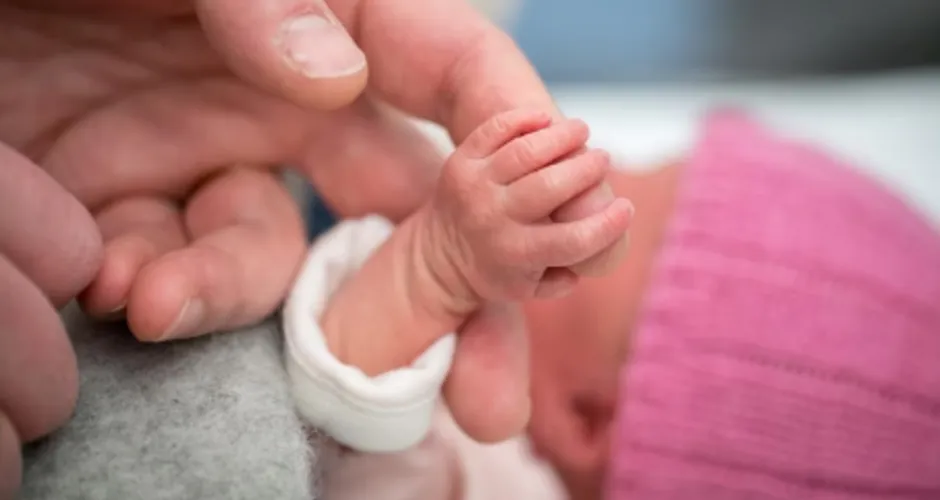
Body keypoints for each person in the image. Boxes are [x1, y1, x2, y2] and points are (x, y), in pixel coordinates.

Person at [0, 0, 629, 496]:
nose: (604, 171)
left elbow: (343, 406)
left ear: (589, 419)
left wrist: (441, 268)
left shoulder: (500, 482)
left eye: (602, 223)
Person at [285, 110, 940, 499]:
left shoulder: (482, 478)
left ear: (590, 421)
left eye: (572, 244)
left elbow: (341, 450)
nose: (591, 171)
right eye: (628, 165)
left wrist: (436, 269)